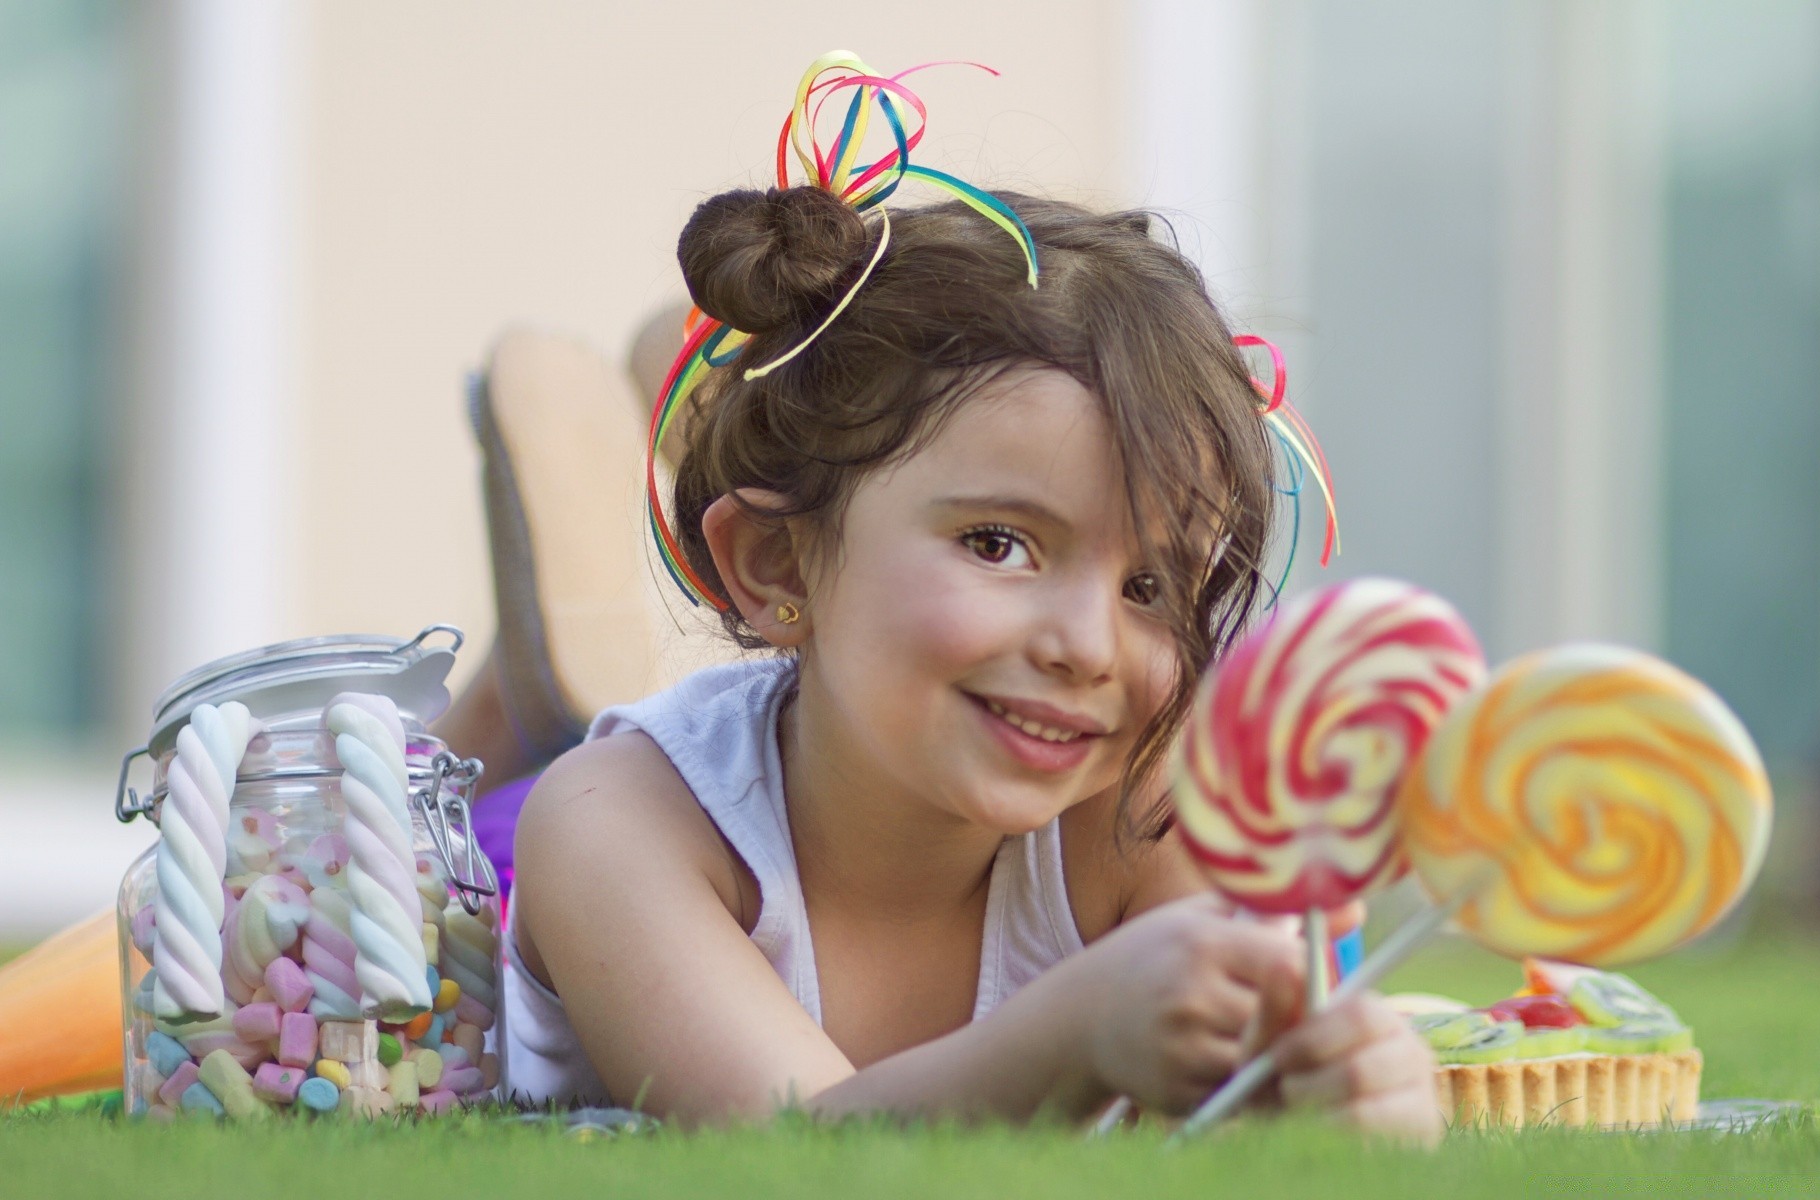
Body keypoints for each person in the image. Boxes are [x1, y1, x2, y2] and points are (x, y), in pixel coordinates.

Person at [498, 58, 1440, 1139]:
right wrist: (1079, 1027)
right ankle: (517, 694)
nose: (1089, 647)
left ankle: (695, 409)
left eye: (1151, 585)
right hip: (498, 844)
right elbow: (800, 1149)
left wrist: (1348, 1094)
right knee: (510, 772)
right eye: (999, 543)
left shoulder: (1141, 818)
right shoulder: (613, 828)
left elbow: (1243, 1118)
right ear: (775, 565)